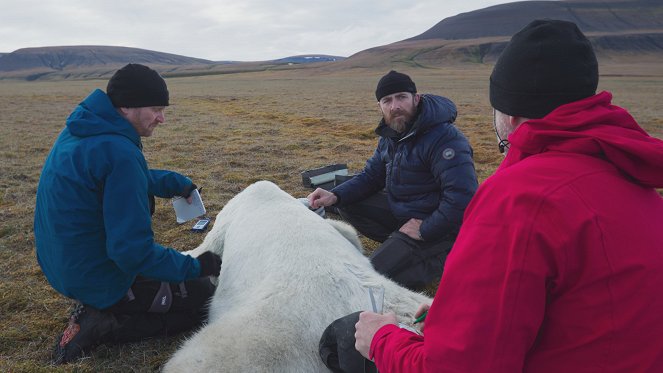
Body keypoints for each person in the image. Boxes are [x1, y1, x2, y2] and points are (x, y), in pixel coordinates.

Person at [353, 20, 663, 372]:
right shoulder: (638, 185)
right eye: (386, 100)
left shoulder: (520, 200)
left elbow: (458, 367)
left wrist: (383, 340)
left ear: (509, 115)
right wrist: (455, 315)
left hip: (434, 233)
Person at [34, 63, 222, 364]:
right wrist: (196, 267)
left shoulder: (81, 132)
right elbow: (132, 253)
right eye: (156, 109)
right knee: (204, 301)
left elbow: (103, 178)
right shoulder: (121, 154)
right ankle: (106, 324)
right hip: (98, 276)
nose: (162, 118)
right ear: (127, 106)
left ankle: (106, 303)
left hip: (61, 266)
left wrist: (169, 182)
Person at [308, 70, 478, 291]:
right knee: (346, 203)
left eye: (401, 97)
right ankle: (400, 244)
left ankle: (436, 256)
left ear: (416, 99)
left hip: (442, 230)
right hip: (404, 213)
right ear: (380, 106)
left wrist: (425, 229)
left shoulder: (445, 138)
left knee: (370, 279)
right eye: (387, 100)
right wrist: (336, 195)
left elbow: (463, 198)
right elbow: (371, 177)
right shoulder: (392, 136)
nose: (394, 106)